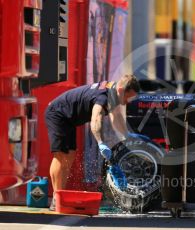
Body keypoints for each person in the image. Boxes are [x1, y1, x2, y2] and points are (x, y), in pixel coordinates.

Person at [45, 74, 140, 210]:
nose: (126, 102)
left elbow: (116, 118)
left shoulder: (113, 92)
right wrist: (100, 142)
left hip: (69, 120)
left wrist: (128, 137)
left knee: (69, 156)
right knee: (61, 156)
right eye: (127, 97)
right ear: (120, 89)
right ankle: (56, 198)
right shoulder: (103, 96)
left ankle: (60, 195)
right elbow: (96, 119)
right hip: (57, 114)